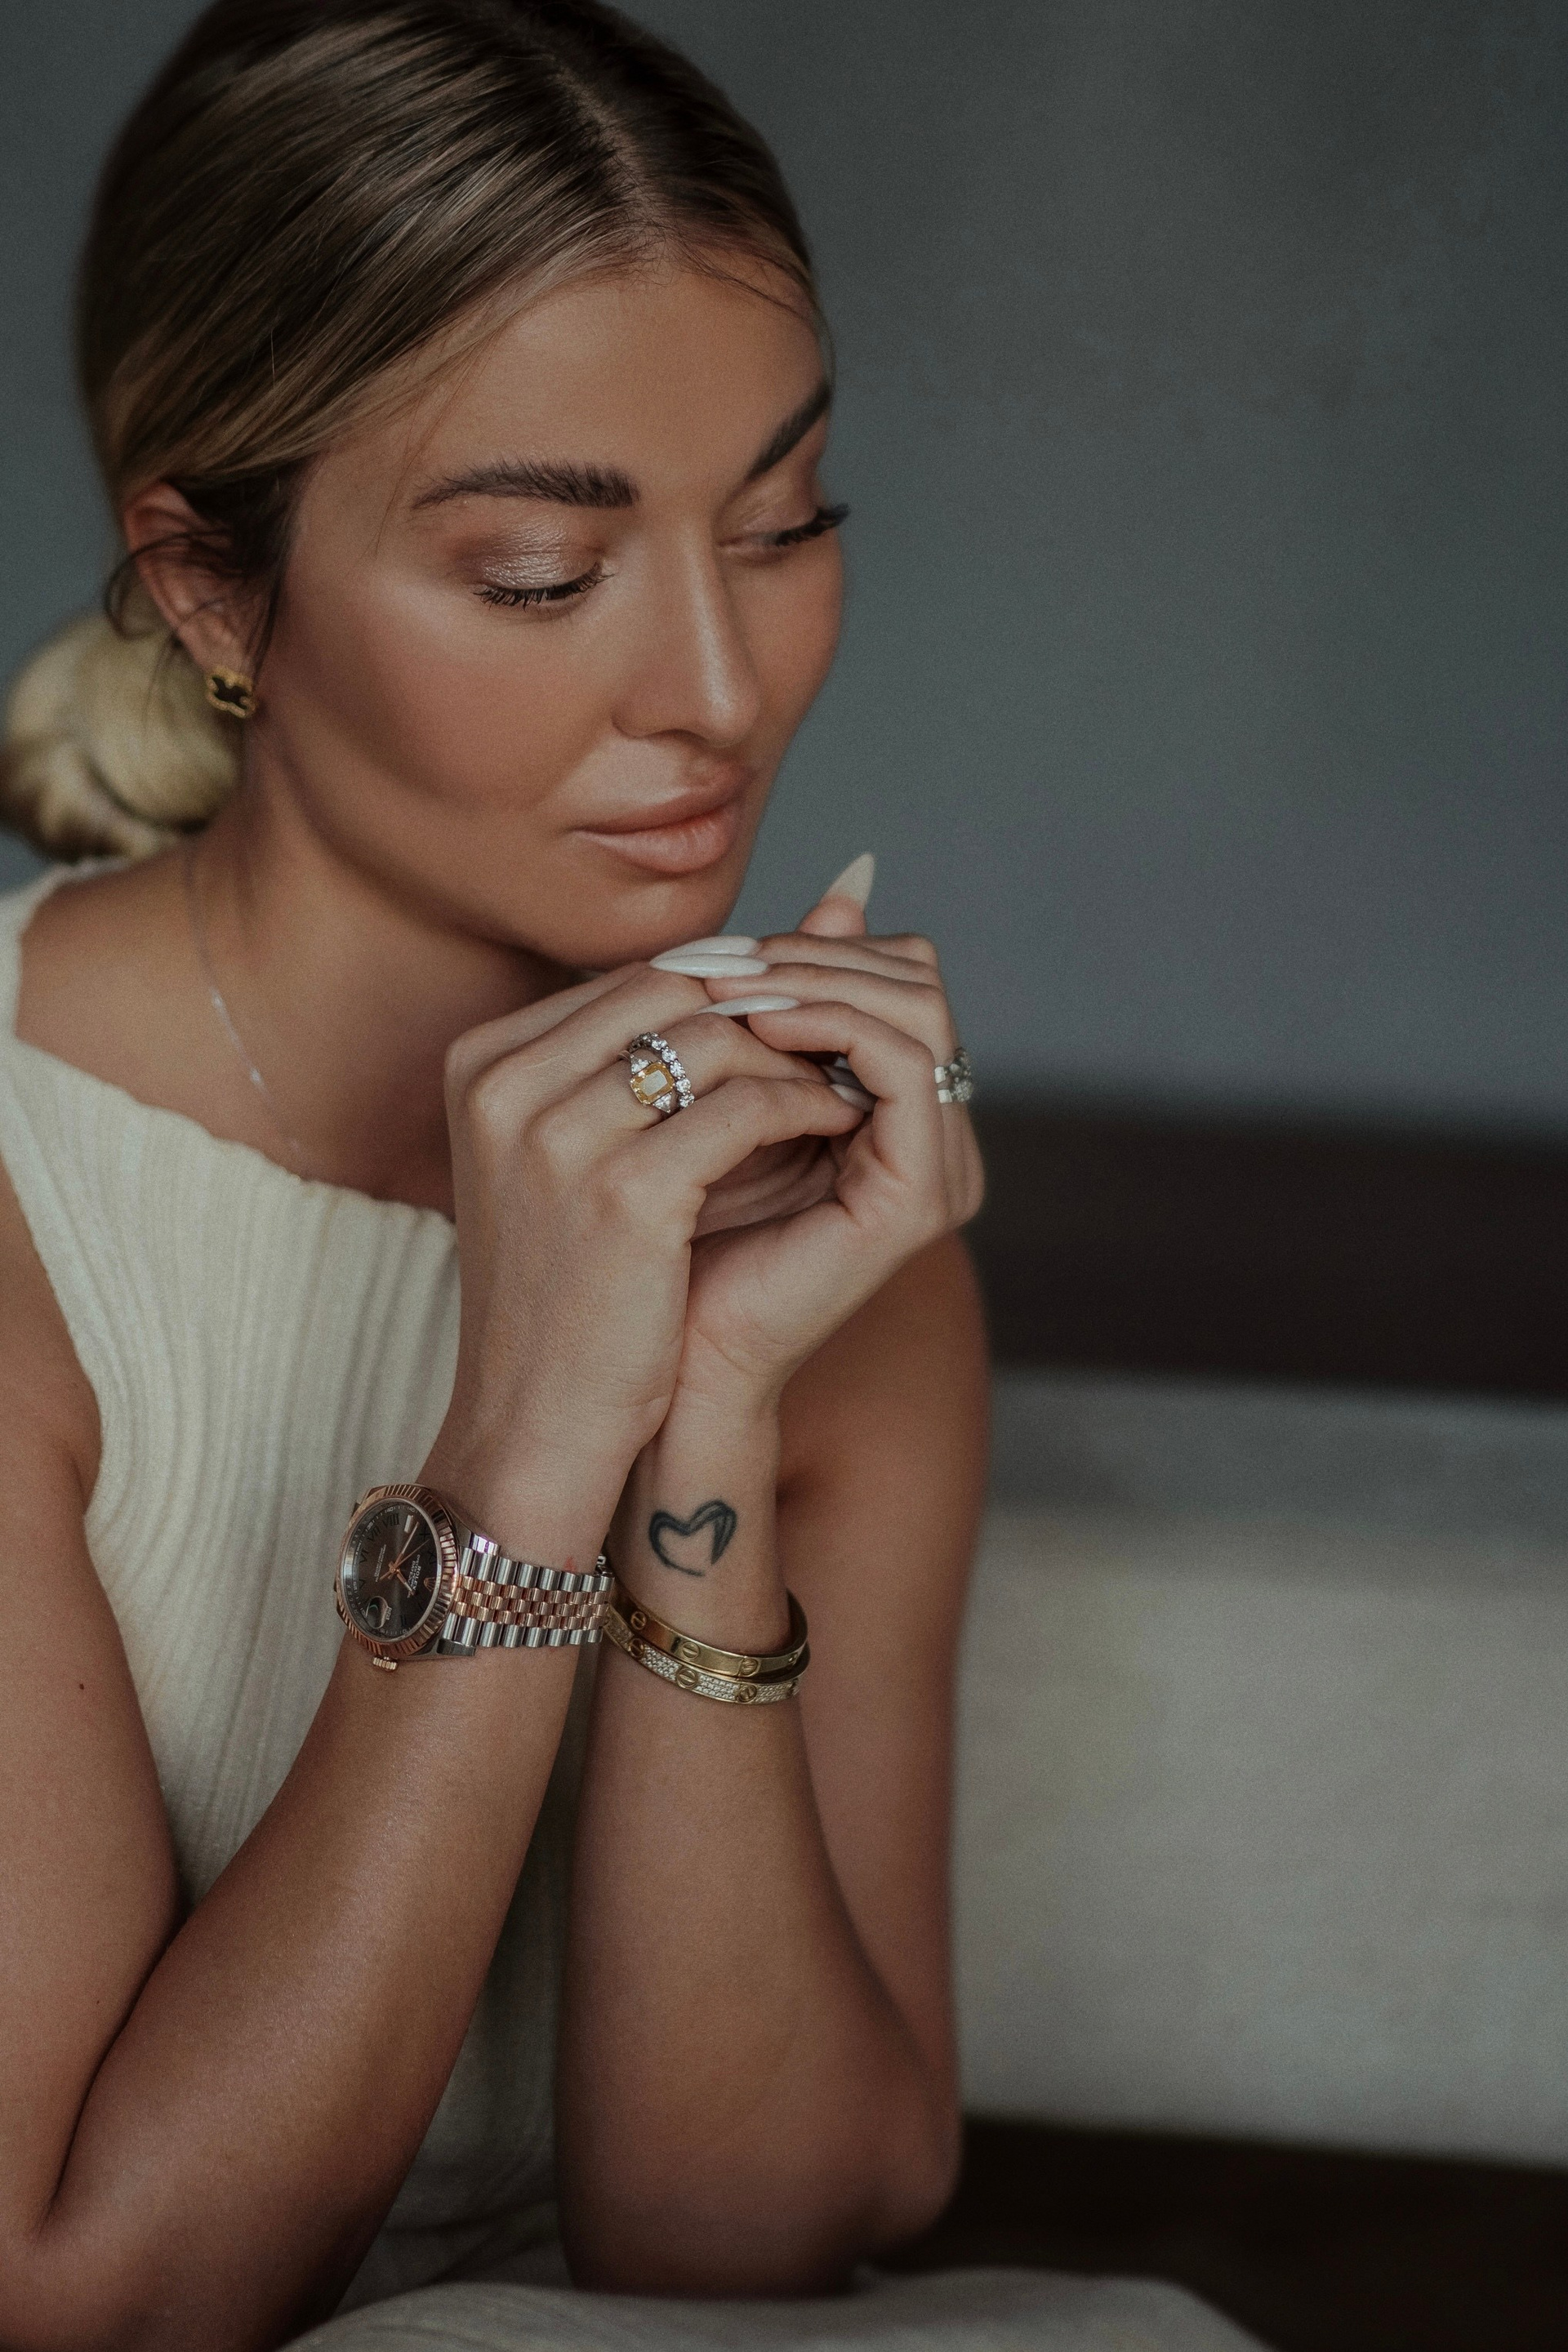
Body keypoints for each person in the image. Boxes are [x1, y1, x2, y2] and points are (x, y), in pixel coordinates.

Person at [0, 5, 1261, 2347]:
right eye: (539, 573)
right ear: (207, 587)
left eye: (783, 526)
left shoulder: (827, 1212)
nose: (720, 685)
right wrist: (525, 1437)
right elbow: (97, 2298)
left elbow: (734, 2249)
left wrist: (707, 1406)